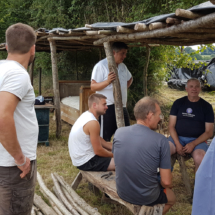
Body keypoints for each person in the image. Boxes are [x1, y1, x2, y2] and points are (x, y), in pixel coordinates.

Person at [0, 23, 38, 215]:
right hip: (12, 168)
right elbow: (1, 116)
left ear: (7, 46)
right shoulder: (17, 74)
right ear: (33, 49)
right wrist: (20, 158)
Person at [113, 97, 175, 214]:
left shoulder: (119, 132)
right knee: (171, 198)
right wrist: (168, 186)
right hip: (146, 197)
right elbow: (166, 182)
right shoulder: (161, 140)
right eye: (159, 115)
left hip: (122, 191)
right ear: (150, 115)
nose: (159, 119)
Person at [168, 78, 214, 172]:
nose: (194, 89)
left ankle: (199, 186)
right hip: (177, 137)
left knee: (201, 158)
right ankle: (162, 182)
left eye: (197, 86)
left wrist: (193, 144)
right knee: (163, 152)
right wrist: (177, 143)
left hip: (198, 140)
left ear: (200, 88)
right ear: (186, 88)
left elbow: (209, 132)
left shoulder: (207, 107)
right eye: (191, 86)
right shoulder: (178, 103)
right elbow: (171, 126)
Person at [91, 42, 133, 141]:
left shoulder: (123, 67)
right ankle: (104, 155)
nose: (125, 56)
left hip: (122, 106)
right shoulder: (101, 66)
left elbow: (130, 79)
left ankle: (122, 155)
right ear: (114, 52)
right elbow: (93, 87)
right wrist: (107, 82)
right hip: (107, 107)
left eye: (125, 53)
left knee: (126, 135)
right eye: (122, 53)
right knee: (105, 137)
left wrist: (122, 90)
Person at [69, 93, 115, 171]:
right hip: (86, 162)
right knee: (123, 162)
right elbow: (98, 151)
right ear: (94, 105)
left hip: (79, 159)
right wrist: (114, 155)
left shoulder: (86, 115)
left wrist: (110, 146)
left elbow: (97, 138)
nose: (107, 107)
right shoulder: (93, 123)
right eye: (104, 104)